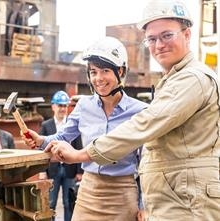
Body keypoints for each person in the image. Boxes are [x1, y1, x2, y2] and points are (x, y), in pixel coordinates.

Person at [44, 0, 220, 220]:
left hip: (184, 199)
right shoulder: (171, 80)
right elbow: (61, 136)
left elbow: (141, 128)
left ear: (186, 35)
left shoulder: (191, 79)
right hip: (171, 195)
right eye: (152, 39)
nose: (159, 45)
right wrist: (41, 141)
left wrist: (81, 154)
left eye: (167, 35)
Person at [23, 37, 147, 221]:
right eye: (93, 72)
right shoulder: (84, 106)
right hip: (88, 191)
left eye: (105, 71)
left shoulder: (139, 111)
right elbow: (63, 136)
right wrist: (41, 140)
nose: (98, 78)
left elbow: (147, 164)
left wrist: (144, 205)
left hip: (122, 193)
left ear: (120, 71)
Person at [38, 90, 83, 221]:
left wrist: (80, 170)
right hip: (53, 170)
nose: (62, 109)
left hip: (70, 169)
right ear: (53, 106)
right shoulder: (46, 126)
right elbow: (41, 149)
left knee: (69, 202)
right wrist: (42, 171)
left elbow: (78, 146)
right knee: (50, 202)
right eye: (60, 105)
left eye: (64, 106)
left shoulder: (72, 124)